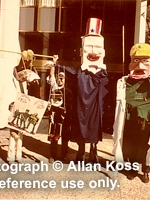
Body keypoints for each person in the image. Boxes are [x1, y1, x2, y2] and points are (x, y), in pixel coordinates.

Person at [45, 18, 108, 164]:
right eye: (89, 47)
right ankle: (80, 155)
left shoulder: (102, 75)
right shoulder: (79, 73)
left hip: (94, 109)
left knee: (92, 129)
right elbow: (67, 69)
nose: (93, 52)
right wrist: (55, 65)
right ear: (81, 50)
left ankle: (92, 155)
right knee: (81, 129)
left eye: (97, 48)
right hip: (81, 110)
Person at [112, 43, 150, 183]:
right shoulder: (123, 82)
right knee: (131, 147)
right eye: (136, 61)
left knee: (147, 146)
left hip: (147, 123)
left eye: (145, 61)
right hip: (130, 122)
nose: (140, 66)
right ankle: (133, 169)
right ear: (130, 63)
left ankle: (146, 171)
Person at [46, 68, 73, 163]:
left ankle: (64, 155)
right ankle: (52, 156)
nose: (60, 80)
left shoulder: (68, 92)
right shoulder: (53, 90)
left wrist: (66, 114)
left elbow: (70, 107)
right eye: (59, 78)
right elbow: (50, 102)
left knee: (65, 138)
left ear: (65, 80)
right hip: (55, 116)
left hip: (64, 118)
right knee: (54, 136)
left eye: (62, 78)